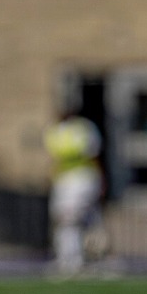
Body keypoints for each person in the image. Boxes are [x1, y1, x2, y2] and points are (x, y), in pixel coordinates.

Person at [45, 110, 105, 277]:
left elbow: (93, 156)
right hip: (64, 180)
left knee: (75, 219)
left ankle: (79, 259)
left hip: (82, 178)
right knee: (64, 220)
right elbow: (54, 159)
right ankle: (68, 258)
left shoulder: (84, 128)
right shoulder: (54, 131)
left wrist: (100, 181)